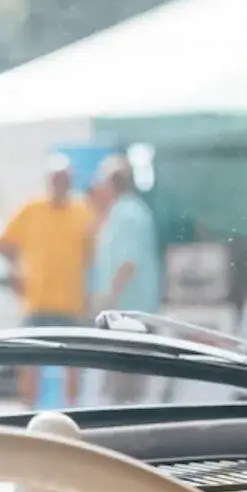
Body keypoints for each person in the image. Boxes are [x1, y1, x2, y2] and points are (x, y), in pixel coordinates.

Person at [0, 154, 97, 408]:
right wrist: (14, 273)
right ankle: (26, 411)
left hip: (70, 302)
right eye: (55, 180)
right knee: (29, 360)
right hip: (37, 299)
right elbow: (4, 244)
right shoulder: (32, 209)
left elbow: (92, 255)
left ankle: (72, 412)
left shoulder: (82, 211)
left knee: (73, 362)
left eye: (64, 180)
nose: (59, 185)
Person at [88, 153, 162, 404]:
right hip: (127, 313)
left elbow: (128, 264)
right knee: (122, 384)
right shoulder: (123, 211)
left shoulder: (127, 214)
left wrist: (108, 297)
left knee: (125, 385)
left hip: (129, 314)